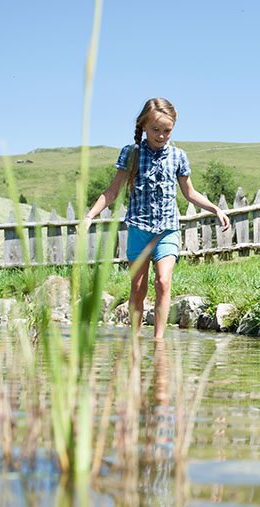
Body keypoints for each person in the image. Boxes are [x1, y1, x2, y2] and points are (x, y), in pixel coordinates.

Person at [83, 98, 231, 338]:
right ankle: (135, 340)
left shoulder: (178, 156)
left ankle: (159, 342)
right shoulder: (132, 153)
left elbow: (189, 193)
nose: (161, 135)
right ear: (143, 126)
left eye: (167, 131)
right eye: (156, 130)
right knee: (138, 289)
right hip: (139, 229)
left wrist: (216, 209)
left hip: (167, 230)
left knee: (163, 282)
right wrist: (90, 215)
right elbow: (113, 191)